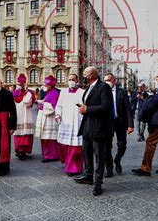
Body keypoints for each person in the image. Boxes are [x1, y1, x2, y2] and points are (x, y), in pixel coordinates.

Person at [74, 66, 114, 196]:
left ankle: (98, 182)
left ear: (92, 75)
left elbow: (106, 107)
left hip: (99, 126)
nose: (83, 76)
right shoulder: (89, 88)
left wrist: (87, 109)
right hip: (87, 125)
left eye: (85, 74)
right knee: (86, 152)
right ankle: (88, 175)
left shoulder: (104, 87)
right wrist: (83, 108)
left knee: (99, 155)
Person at [104, 72, 134, 176]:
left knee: (122, 145)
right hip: (107, 123)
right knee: (107, 147)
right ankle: (109, 168)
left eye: (109, 80)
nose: (107, 82)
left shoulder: (122, 92)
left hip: (120, 122)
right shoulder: (102, 92)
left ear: (114, 81)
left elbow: (128, 109)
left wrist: (130, 125)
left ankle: (117, 160)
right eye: (105, 80)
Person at [55, 74, 85, 176]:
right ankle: (68, 164)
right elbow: (59, 105)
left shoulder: (82, 92)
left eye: (73, 79)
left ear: (77, 81)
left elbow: (83, 106)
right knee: (65, 146)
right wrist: (58, 114)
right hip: (65, 122)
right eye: (69, 79)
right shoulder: (63, 92)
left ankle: (75, 168)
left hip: (77, 122)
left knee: (76, 148)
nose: (71, 81)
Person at [35, 75, 61, 163]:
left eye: (45, 85)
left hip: (50, 119)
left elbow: (53, 107)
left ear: (50, 85)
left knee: (50, 138)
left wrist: (43, 103)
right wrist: (42, 102)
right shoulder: (49, 92)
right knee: (45, 138)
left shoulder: (54, 93)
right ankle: (47, 154)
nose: (44, 86)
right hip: (45, 118)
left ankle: (52, 155)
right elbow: (47, 102)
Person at [12, 73, 36, 160]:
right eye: (19, 84)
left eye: (22, 84)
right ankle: (18, 150)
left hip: (27, 114)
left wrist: (27, 93)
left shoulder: (30, 92)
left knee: (25, 132)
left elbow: (30, 102)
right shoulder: (14, 93)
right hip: (18, 114)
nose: (21, 86)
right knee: (18, 132)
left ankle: (24, 151)